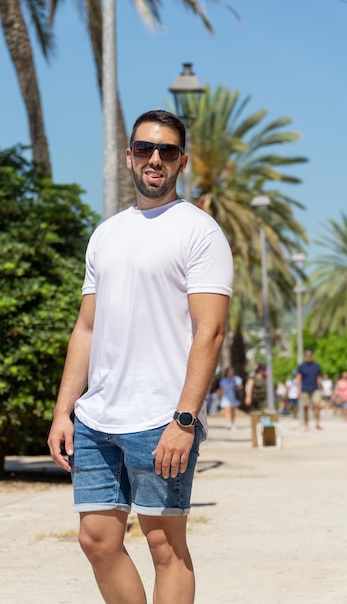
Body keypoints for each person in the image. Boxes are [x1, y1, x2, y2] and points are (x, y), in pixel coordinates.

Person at [47, 109, 233, 604]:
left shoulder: (200, 231)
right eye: (145, 149)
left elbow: (210, 331)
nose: (155, 158)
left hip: (161, 418)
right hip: (97, 417)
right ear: (128, 156)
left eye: (167, 151)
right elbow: (86, 327)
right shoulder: (105, 234)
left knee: (165, 547)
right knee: (97, 541)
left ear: (182, 161)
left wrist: (185, 419)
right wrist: (64, 409)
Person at [296, 348, 323, 431]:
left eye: (310, 355)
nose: (308, 356)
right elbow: (299, 378)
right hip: (305, 389)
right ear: (305, 356)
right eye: (307, 355)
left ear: (312, 355)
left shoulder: (316, 366)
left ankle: (317, 424)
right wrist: (299, 389)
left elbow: (318, 377)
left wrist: (321, 388)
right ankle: (306, 425)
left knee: (317, 405)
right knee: (306, 407)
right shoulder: (302, 366)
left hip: (315, 388)